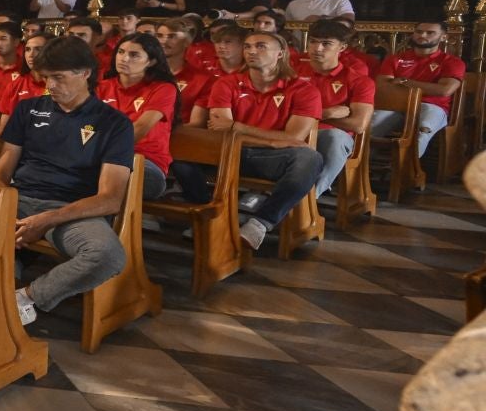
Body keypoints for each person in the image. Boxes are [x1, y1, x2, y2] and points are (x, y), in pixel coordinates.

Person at [0, 36, 134, 328]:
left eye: (59, 77)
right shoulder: (29, 109)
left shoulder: (114, 123)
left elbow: (110, 198)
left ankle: (24, 298)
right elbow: (0, 172)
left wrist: (46, 220)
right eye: (45, 78)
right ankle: (0, 293)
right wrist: (4, 209)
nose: (50, 85)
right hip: (20, 199)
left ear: (85, 73)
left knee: (107, 256)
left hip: (71, 209)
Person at [179, 31, 323, 251]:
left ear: (280, 53)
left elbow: (293, 138)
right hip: (227, 151)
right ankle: (208, 214)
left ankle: (260, 222)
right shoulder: (226, 83)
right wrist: (272, 141)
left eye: (261, 46)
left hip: (269, 158)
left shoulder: (303, 89)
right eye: (247, 47)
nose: (252, 51)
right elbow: (220, 130)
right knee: (180, 152)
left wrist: (238, 127)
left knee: (310, 159)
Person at [372, 20, 467, 161]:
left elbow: (444, 90)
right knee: (368, 127)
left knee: (423, 130)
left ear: (443, 37)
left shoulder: (452, 62)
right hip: (395, 106)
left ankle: (406, 170)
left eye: (430, 33)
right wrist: (427, 87)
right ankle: (362, 169)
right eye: (419, 32)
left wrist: (405, 82)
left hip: (431, 106)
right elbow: (382, 86)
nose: (422, 35)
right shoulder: (395, 59)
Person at [97, 33, 177, 198]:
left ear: (151, 61)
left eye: (134, 55)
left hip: (145, 161)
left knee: (100, 178)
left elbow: (140, 128)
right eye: (121, 52)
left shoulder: (163, 89)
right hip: (102, 157)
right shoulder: (101, 87)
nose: (124, 59)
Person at [302, 19, 374, 198]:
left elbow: (358, 125)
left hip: (329, 135)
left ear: (342, 47)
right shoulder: (293, 73)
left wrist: (316, 116)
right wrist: (326, 113)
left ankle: (306, 200)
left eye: (326, 43)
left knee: (335, 138)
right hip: (296, 131)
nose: (317, 48)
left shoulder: (359, 80)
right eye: (313, 41)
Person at [157, 16, 214, 125]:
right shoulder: (143, 74)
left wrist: (161, 132)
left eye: (172, 36)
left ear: (187, 42)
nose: (163, 41)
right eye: (159, 36)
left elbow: (196, 124)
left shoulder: (203, 80)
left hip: (179, 134)